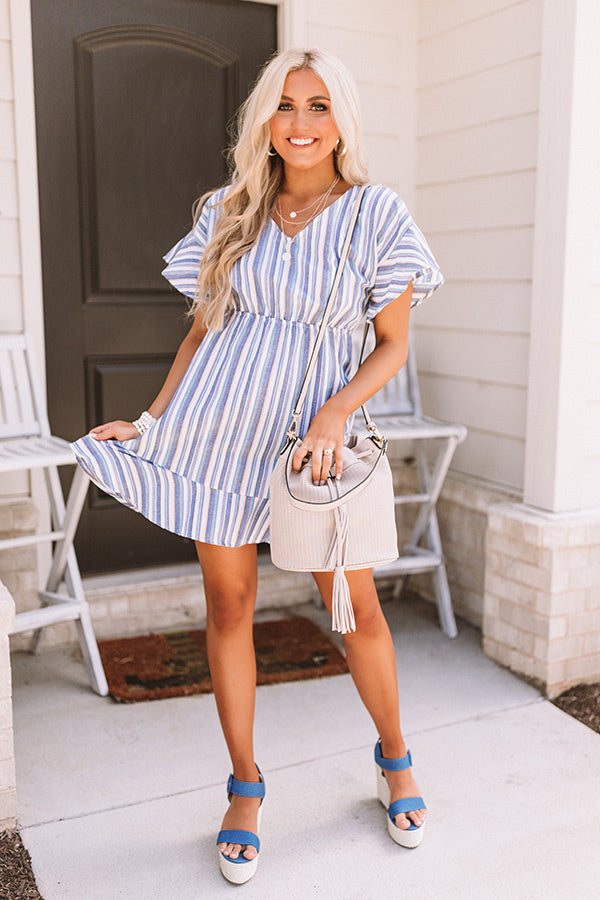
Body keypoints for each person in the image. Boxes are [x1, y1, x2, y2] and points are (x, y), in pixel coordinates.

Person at [71, 47, 444, 885]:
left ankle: (395, 759)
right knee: (228, 606)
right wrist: (154, 420)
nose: (301, 124)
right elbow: (203, 332)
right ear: (263, 122)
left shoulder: (375, 214)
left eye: (318, 106)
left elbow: (391, 346)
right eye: (285, 106)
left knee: (354, 611)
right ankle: (244, 784)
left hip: (315, 443)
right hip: (216, 431)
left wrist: (333, 412)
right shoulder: (231, 209)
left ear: (342, 118)